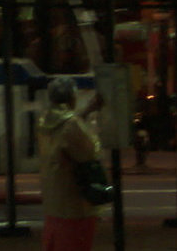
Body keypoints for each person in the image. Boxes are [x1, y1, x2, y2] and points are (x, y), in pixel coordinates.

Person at [40, 76, 103, 251]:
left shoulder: (46, 122)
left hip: (54, 205)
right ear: (72, 98)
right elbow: (90, 152)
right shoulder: (71, 125)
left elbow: (65, 127)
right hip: (74, 206)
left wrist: (86, 111)